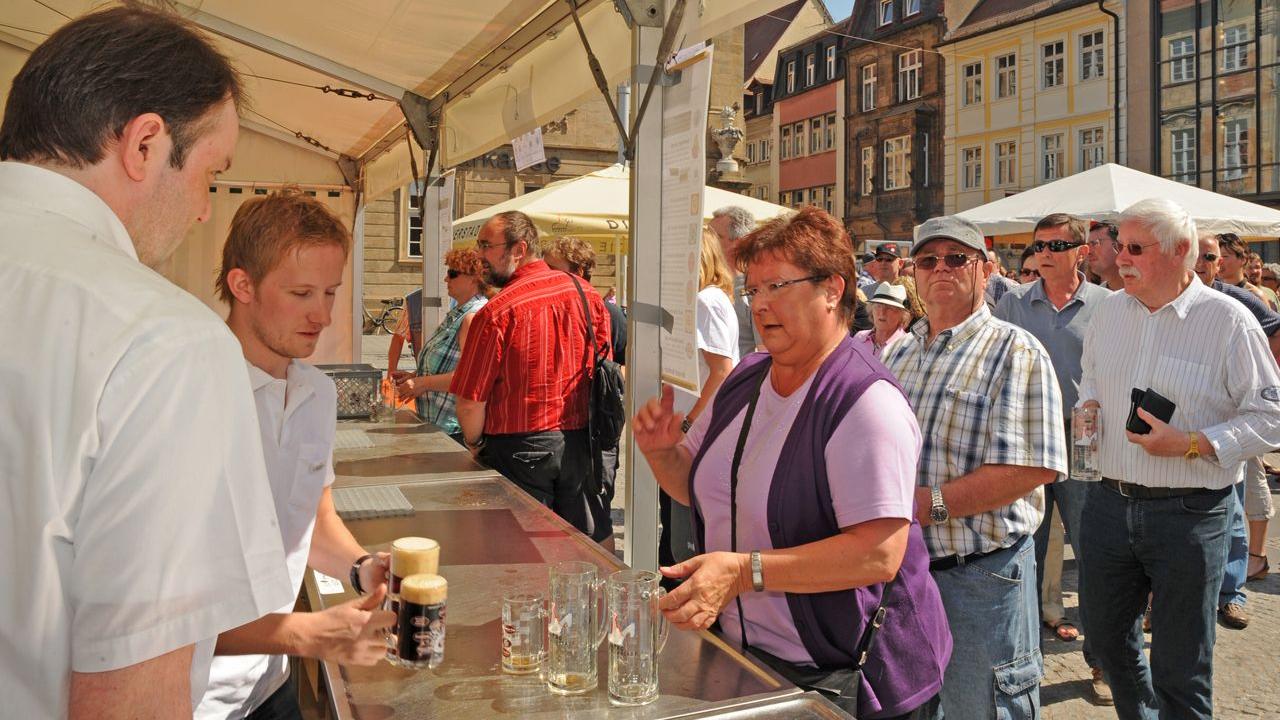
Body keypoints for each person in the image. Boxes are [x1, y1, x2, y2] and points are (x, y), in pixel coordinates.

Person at [0, 7, 295, 718]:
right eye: (210, 174)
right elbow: (131, 694)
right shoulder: (164, 341)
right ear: (144, 144)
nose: (202, 212)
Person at [634, 206, 951, 718]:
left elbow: (878, 554)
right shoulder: (746, 377)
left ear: (832, 288)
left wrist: (742, 572)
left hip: (845, 676)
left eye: (777, 286)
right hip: (748, 659)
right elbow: (698, 490)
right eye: (753, 290)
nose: (760, 305)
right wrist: (660, 453)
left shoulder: (865, 401)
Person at [1076, 198, 1280, 720]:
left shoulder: (1229, 321)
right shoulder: (1107, 311)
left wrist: (1190, 442)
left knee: (1181, 666)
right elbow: (1093, 379)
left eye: (1136, 248)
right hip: (1107, 502)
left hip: (1191, 514)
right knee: (1106, 641)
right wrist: (1089, 407)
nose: (1121, 258)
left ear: (1183, 251)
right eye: (1119, 245)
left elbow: (1271, 417)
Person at [198, 190, 396, 720]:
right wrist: (309, 632)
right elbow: (159, 603)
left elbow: (311, 517)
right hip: (193, 696)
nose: (323, 316)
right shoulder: (193, 394)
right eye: (302, 293)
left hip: (270, 681)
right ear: (242, 285)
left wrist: (361, 568)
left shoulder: (316, 393)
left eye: (330, 293)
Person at [882, 215, 1067, 720]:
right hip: (906, 573)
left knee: (983, 710)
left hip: (981, 578)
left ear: (985, 270)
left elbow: (1031, 468)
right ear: (913, 274)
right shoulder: (898, 350)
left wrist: (931, 505)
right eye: (928, 260)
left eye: (957, 258)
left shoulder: (1016, 349)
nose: (941, 268)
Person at [993, 213, 1113, 705]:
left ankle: (1103, 661)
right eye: (1038, 244)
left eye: (1056, 245)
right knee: (1026, 549)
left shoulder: (1107, 305)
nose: (1043, 252)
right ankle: (1023, 666)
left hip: (1084, 437)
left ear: (1082, 251)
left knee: (1094, 552)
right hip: (1029, 438)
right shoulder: (1013, 302)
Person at [450, 211, 612, 536]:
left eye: (486, 246)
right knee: (585, 545)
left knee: (518, 551)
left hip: (517, 448)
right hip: (580, 440)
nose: (479, 255)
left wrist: (476, 443)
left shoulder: (497, 312)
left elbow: (469, 402)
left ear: (519, 250)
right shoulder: (587, 295)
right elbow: (603, 360)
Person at [1191, 232, 1280, 631]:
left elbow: (1276, 334)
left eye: (1212, 257)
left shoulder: (1240, 300)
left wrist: (1262, 380)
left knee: (1234, 516)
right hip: (1185, 431)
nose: (1206, 264)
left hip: (1233, 428)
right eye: (1201, 255)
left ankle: (1231, 595)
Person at [542, 235, 627, 552]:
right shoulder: (555, 305)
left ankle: (605, 582)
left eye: (553, 268)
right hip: (570, 431)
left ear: (577, 269)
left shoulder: (606, 311)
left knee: (596, 514)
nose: (545, 273)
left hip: (594, 432)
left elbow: (625, 367)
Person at [663, 229, 741, 569]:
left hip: (698, 433)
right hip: (698, 430)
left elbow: (722, 371)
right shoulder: (712, 298)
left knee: (685, 545)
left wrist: (688, 422)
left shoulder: (706, 300)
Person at [393, 249, 490, 444]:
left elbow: (470, 378)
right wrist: (415, 376)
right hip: (440, 426)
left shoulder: (473, 317)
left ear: (474, 278)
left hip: (454, 431)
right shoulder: (459, 313)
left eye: (452, 273)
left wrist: (421, 384)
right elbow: (454, 366)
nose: (446, 279)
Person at [709, 206, 759, 357]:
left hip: (737, 378)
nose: (705, 243)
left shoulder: (755, 289)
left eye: (715, 237)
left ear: (738, 243)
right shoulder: (704, 284)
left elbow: (764, 352)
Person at [854, 282, 912, 358]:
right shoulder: (859, 337)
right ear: (871, 310)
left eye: (889, 308)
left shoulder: (907, 346)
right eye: (878, 306)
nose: (882, 312)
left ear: (902, 315)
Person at [386, 287, 423, 375]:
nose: (447, 279)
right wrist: (390, 375)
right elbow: (398, 337)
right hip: (424, 377)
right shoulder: (414, 300)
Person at [1087, 221, 1124, 290]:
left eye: (1095, 243)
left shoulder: (1144, 293)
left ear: (1118, 246)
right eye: (1088, 245)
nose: (1088, 252)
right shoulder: (1095, 298)